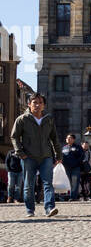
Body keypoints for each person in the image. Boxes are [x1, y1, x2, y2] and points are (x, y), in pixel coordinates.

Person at [11, 92, 61, 220]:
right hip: (29, 157)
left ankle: (49, 208)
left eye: (40, 103)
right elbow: (14, 137)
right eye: (35, 103)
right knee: (29, 184)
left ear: (44, 105)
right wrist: (20, 153)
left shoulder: (48, 119)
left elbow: (54, 138)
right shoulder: (22, 119)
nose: (37, 105)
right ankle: (30, 209)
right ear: (29, 104)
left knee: (48, 183)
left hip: (46, 156)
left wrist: (58, 154)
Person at [61, 133, 85, 201]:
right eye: (67, 138)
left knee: (74, 182)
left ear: (73, 139)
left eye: (70, 138)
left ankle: (73, 197)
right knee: (68, 182)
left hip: (75, 168)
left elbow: (82, 156)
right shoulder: (64, 148)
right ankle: (68, 195)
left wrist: (76, 163)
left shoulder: (78, 147)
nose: (68, 139)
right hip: (66, 168)